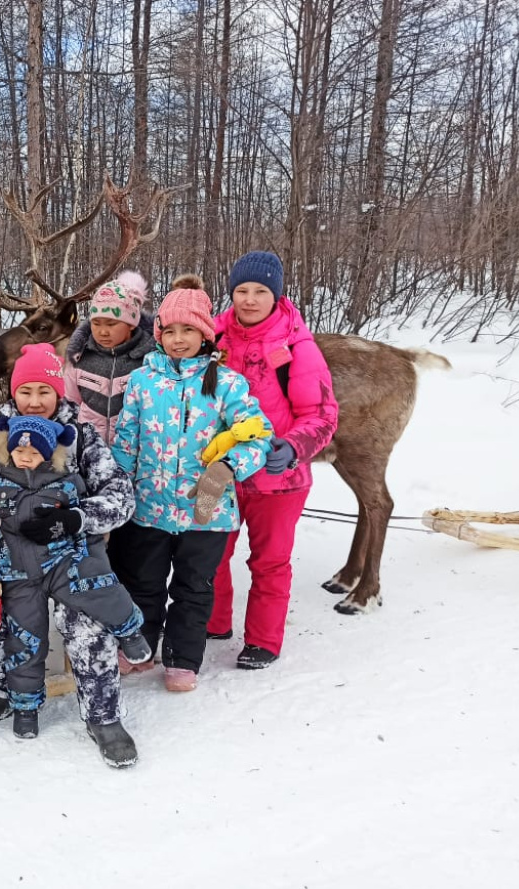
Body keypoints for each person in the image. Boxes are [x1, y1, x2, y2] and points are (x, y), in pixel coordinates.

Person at [0, 343, 141, 768]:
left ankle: (103, 716)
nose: (34, 401)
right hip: (12, 558)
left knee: (87, 626)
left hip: (72, 556)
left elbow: (121, 496)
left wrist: (75, 518)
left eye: (43, 391)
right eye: (25, 391)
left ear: (58, 391)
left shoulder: (81, 436)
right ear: (13, 392)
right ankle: (10, 693)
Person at [111, 276, 273, 693]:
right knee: (142, 582)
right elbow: (126, 441)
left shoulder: (227, 383)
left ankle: (182, 660)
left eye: (189, 330)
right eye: (170, 331)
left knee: (193, 588)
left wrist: (228, 467)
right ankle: (139, 648)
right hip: (148, 507)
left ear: (205, 335)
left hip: (206, 512)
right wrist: (117, 488)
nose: (179, 339)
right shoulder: (142, 382)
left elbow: (259, 435)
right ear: (158, 334)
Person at [205, 252, 339, 668]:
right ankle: (213, 622)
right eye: (242, 290)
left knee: (270, 561)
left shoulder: (297, 345)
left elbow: (321, 414)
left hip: (277, 478)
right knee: (209, 554)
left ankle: (263, 640)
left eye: (260, 291)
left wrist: (295, 447)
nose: (249, 299)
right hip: (220, 473)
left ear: (276, 295)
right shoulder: (212, 338)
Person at [63, 270, 158, 447]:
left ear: (131, 324)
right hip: (88, 449)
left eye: (111, 323)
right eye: (96, 323)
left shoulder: (150, 359)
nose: (103, 331)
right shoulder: (80, 356)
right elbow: (69, 404)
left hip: (132, 450)